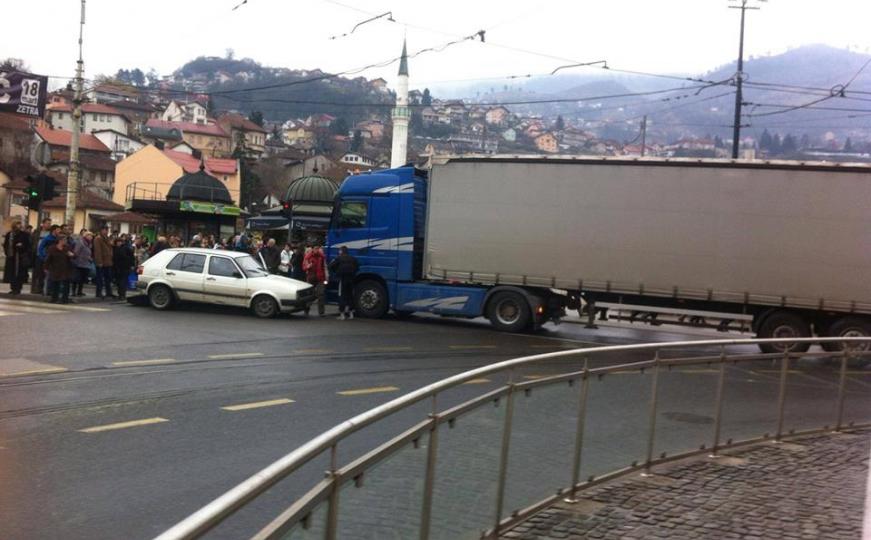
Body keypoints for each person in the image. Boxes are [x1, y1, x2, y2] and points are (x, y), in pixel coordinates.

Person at [329, 245, 359, 320]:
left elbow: (330, 266)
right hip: (351, 279)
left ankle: (342, 314)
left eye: (339, 250)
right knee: (350, 295)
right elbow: (357, 267)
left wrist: (336, 272)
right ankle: (351, 313)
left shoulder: (339, 258)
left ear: (341, 251)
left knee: (342, 295)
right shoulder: (353, 258)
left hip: (343, 279)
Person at [44, 236, 75, 304]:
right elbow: (48, 258)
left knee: (66, 284)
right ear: (60, 241)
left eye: (66, 240)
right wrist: (46, 267)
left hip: (66, 268)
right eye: (64, 240)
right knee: (55, 284)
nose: (65, 241)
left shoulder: (67, 248)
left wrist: (72, 255)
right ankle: (54, 298)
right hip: (55, 268)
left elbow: (74, 256)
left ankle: (64, 299)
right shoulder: (52, 248)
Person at [3, 221, 31, 295]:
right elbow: (6, 244)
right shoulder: (9, 234)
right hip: (11, 256)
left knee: (19, 273)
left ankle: (18, 288)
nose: (19, 226)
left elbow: (27, 245)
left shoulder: (24, 234)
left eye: (20, 224)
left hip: (20, 256)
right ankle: (13, 288)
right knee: (11, 273)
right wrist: (7, 252)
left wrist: (21, 246)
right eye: (17, 224)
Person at [303, 243, 327, 316]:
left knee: (321, 295)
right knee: (309, 295)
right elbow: (304, 267)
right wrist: (308, 266)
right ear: (313, 249)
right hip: (311, 278)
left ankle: (321, 312)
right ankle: (306, 310)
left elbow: (324, 267)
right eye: (315, 248)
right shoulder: (308, 257)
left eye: (318, 248)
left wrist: (326, 277)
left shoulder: (322, 257)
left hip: (320, 278)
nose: (317, 250)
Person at [37, 225, 61, 295]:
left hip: (54, 260)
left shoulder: (57, 239)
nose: (59, 231)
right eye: (58, 230)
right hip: (48, 259)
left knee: (52, 276)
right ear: (54, 230)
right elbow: (41, 248)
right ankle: (45, 291)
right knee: (47, 276)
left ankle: (50, 290)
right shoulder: (47, 239)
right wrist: (44, 257)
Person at [31, 218, 52, 294]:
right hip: (37, 255)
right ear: (43, 224)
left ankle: (45, 289)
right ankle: (38, 288)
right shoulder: (37, 232)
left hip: (46, 256)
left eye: (50, 223)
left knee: (45, 273)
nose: (49, 225)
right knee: (38, 273)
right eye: (47, 223)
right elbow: (32, 241)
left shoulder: (51, 233)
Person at [93, 225, 115, 299]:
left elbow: (110, 248)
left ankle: (109, 292)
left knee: (108, 278)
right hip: (102, 262)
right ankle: (98, 293)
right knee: (100, 278)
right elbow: (97, 251)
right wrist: (99, 261)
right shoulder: (98, 239)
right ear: (101, 230)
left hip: (108, 261)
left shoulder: (107, 238)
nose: (106, 231)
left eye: (107, 230)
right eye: (105, 230)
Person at [71, 231, 93, 297]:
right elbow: (76, 252)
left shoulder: (89, 244)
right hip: (79, 263)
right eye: (89, 236)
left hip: (86, 263)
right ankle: (73, 292)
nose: (91, 237)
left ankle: (79, 291)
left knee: (82, 279)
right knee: (76, 278)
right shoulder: (81, 242)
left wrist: (89, 258)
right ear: (85, 236)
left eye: (91, 236)